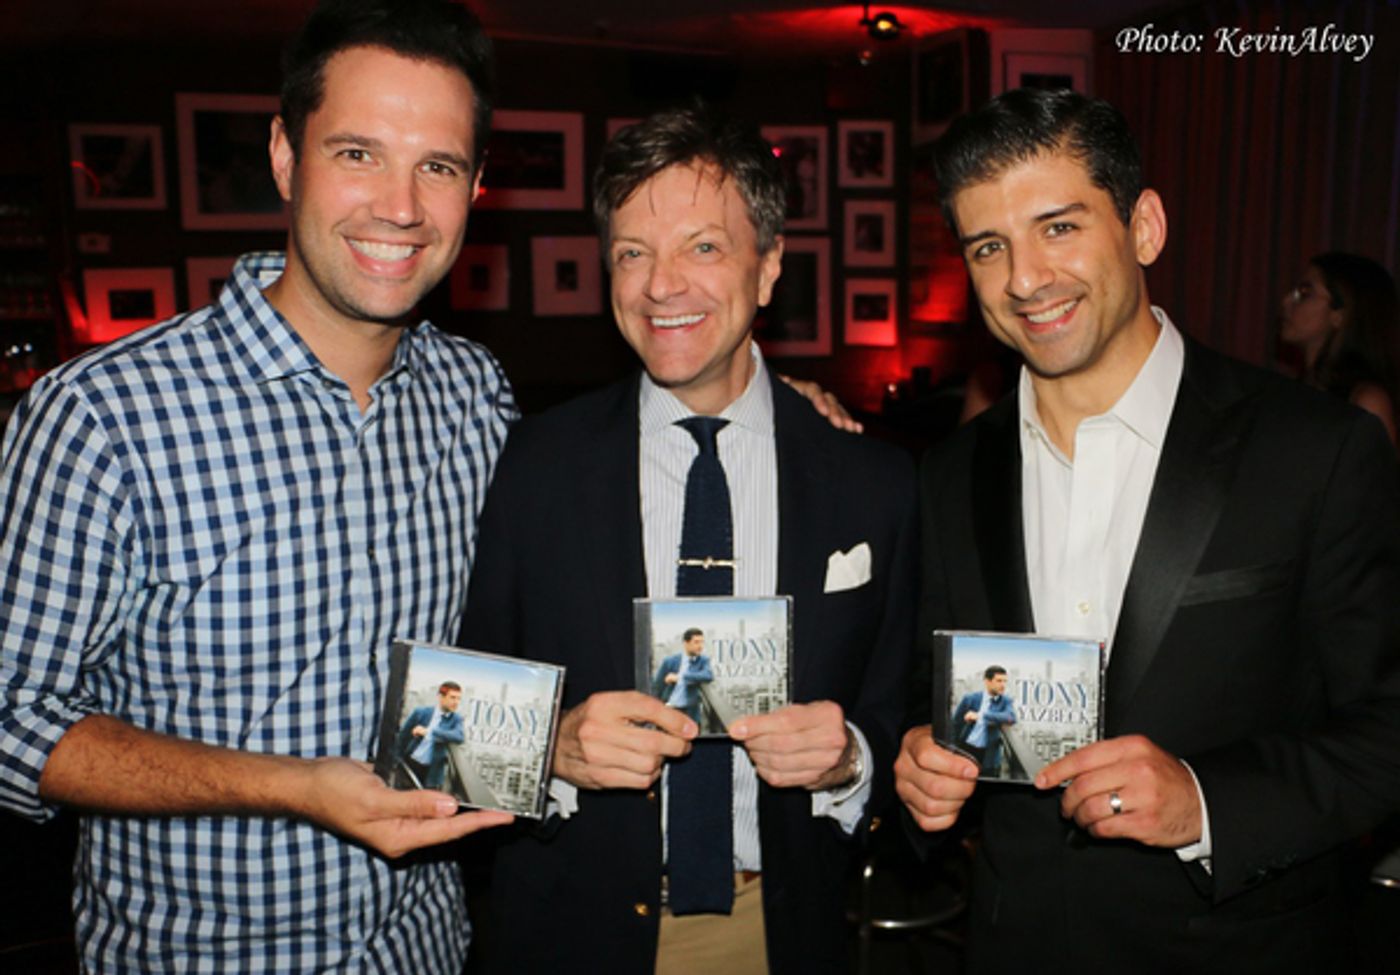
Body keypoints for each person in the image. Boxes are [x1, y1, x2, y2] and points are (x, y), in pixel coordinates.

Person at [0, 1, 517, 970]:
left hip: (424, 950)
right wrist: (288, 785)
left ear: (475, 186)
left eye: (437, 166)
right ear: (286, 156)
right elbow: (7, 720)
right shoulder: (102, 415)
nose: (400, 206)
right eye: (358, 152)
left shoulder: (473, 393)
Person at [893, 88, 1400, 970]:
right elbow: (932, 696)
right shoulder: (948, 474)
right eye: (989, 246)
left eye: (1059, 226)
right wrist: (919, 768)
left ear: (1145, 227)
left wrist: (1207, 801)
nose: (1024, 277)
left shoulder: (1315, 450)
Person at [461, 104, 916, 975]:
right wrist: (550, 748)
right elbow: (450, 722)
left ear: (770, 265)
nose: (661, 285)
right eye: (632, 252)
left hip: (779, 930)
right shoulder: (531, 466)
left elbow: (901, 720)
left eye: (703, 247)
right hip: (568, 933)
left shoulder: (875, 485)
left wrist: (847, 759)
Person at [1279, 250, 1400, 444]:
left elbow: (1376, 473)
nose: (1286, 301)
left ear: (1340, 315)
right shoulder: (1294, 390)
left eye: (1304, 293)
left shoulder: (1367, 401)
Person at [396, 682, 467, 790]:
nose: (456, 702)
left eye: (458, 699)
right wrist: (396, 762)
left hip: (432, 773)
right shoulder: (420, 712)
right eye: (453, 697)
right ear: (440, 697)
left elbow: (459, 736)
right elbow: (402, 737)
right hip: (409, 765)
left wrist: (430, 732)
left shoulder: (456, 719)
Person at [952, 665, 1015, 775]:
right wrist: (953, 749)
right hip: (966, 749)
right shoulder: (970, 699)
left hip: (989, 754)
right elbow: (955, 724)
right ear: (987, 681)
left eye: (1005, 681)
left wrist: (981, 715)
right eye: (999, 681)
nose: (1003, 685)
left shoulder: (1005, 701)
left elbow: (1011, 717)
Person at [651, 628, 715, 726]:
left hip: (690, 713)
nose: (700, 646)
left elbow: (708, 675)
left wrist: (680, 677)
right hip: (670, 709)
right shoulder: (670, 661)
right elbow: (657, 687)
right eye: (696, 642)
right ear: (686, 643)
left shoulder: (703, 660)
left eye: (702, 642)